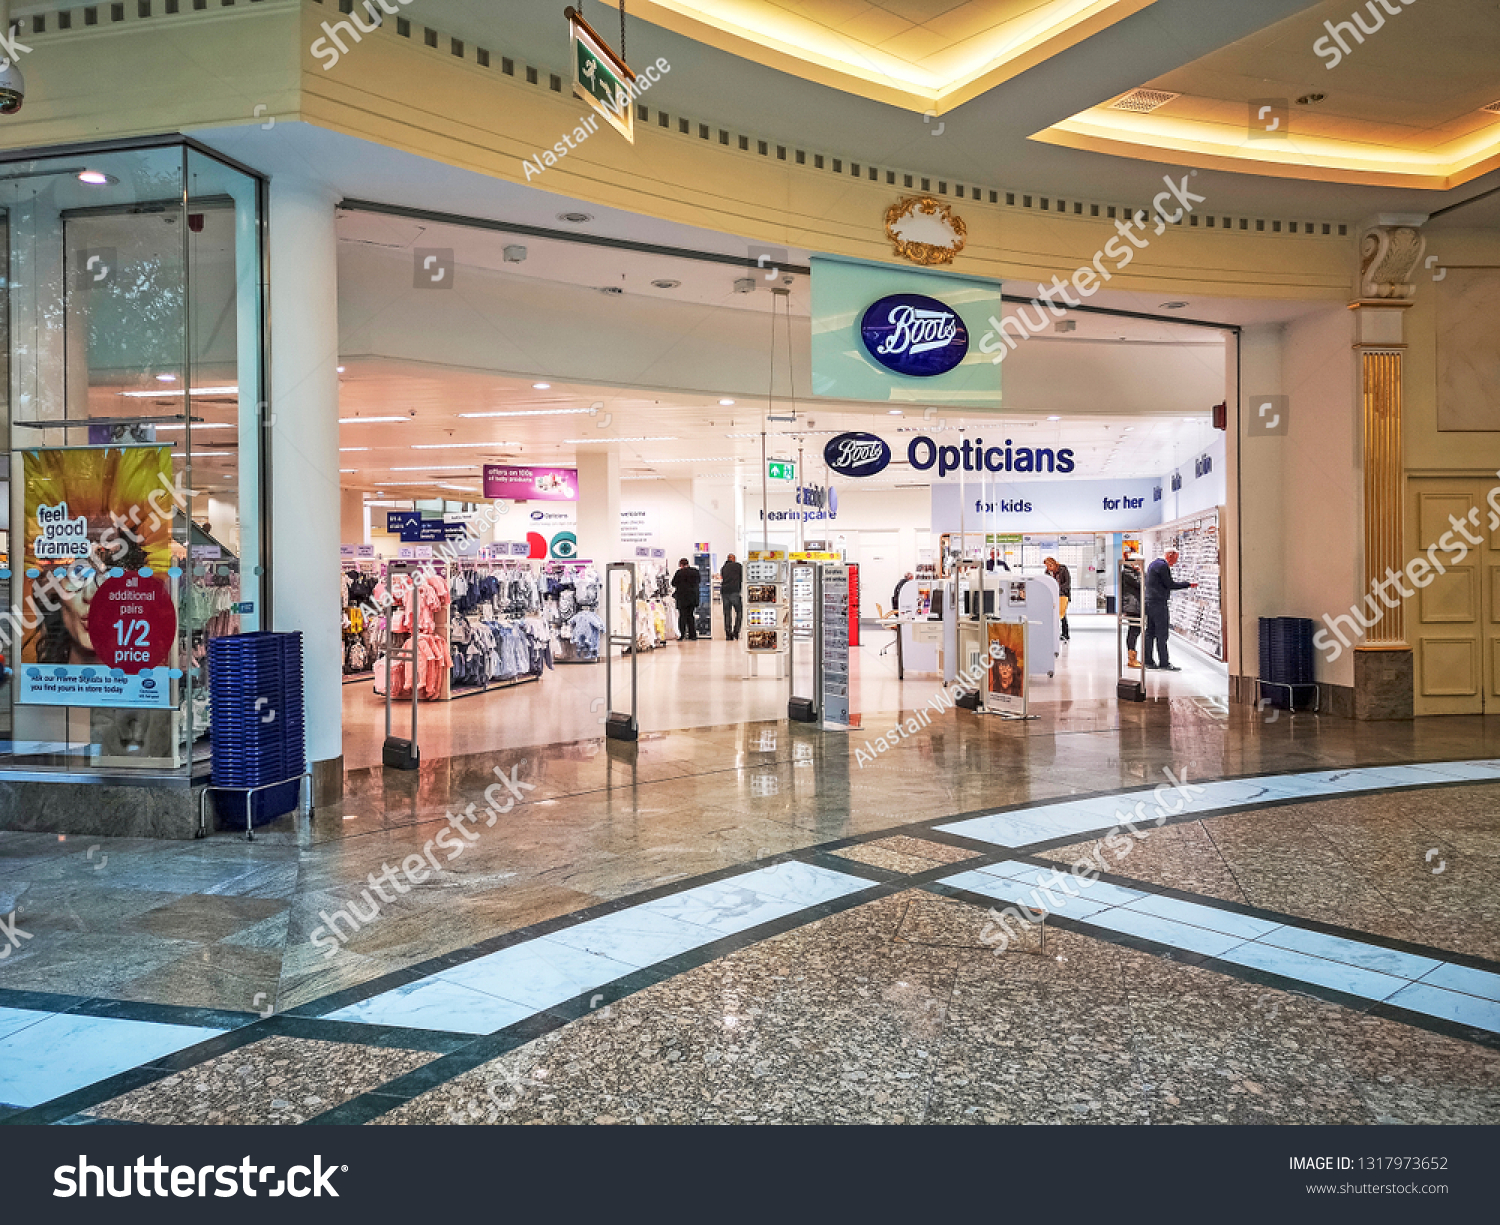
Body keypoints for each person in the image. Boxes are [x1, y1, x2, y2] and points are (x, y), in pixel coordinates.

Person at [1144, 549, 1196, 672]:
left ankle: (1148, 660)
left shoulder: (1153, 564)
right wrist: (1188, 584)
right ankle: (1164, 662)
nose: (1175, 562)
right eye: (1175, 559)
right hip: (1158, 603)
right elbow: (1169, 584)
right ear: (1170, 555)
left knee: (1150, 632)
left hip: (1149, 602)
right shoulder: (1162, 566)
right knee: (1162, 633)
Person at [1121, 555, 1143, 668]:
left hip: (1134, 605)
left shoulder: (1129, 571)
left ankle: (1132, 656)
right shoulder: (1128, 572)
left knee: (1135, 631)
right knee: (1133, 631)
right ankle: (1131, 658)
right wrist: (1140, 572)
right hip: (1133, 606)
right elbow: (1140, 583)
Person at [671, 557, 700, 641]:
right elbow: (699, 581)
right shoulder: (695, 572)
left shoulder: (679, 573)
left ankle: (682, 635)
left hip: (682, 598)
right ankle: (693, 635)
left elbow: (673, 583)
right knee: (690, 616)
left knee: (682, 617)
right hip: (693, 598)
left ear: (681, 565)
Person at [1043, 557, 1071, 642]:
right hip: (1053, 596)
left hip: (1063, 594)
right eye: (1046, 566)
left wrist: (1058, 589)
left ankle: (1065, 634)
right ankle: (1053, 633)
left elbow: (1067, 582)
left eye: (1049, 565)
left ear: (1053, 564)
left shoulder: (1063, 569)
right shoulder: (1047, 572)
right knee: (1052, 614)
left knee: (1062, 614)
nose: (1047, 567)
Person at [720, 553, 743, 641]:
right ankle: (736, 632)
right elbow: (742, 577)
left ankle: (728, 634)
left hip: (724, 592)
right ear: (734, 559)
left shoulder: (723, 568)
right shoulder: (738, 566)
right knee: (739, 612)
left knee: (727, 613)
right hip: (734, 591)